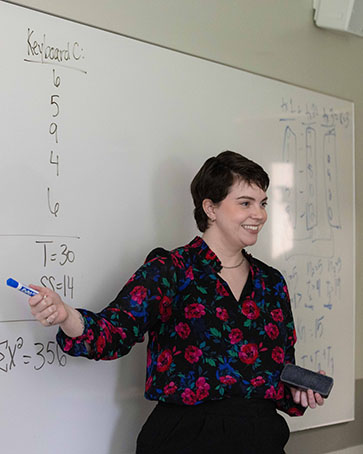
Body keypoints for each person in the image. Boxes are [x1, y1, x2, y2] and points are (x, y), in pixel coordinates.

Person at [28, 151, 324, 454]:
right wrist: (65, 314)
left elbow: (280, 365)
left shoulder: (271, 282)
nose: (259, 214)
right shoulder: (170, 270)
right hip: (185, 438)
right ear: (210, 207)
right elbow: (112, 332)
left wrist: (298, 387)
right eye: (245, 203)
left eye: (263, 204)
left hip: (261, 437)